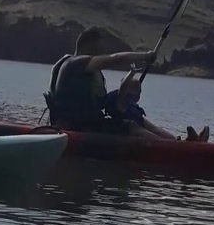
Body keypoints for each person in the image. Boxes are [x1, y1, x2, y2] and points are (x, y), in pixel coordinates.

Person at [46, 27, 177, 141]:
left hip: (84, 124)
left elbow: (101, 103)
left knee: (135, 116)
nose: (103, 50)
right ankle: (174, 150)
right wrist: (145, 56)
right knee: (132, 127)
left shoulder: (83, 70)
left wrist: (123, 96)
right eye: (100, 45)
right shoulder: (75, 63)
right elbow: (115, 59)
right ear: (89, 44)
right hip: (78, 128)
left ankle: (176, 140)